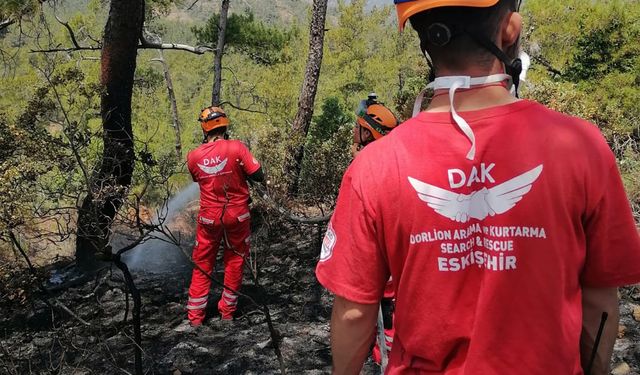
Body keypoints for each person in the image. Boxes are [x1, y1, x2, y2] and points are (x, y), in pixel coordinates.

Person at [315, 1, 640, 374]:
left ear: (426, 39)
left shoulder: (374, 166)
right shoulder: (581, 146)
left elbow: (355, 312)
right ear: (510, 29)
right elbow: (599, 300)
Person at [186, 106, 264, 326]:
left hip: (209, 219)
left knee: (203, 265)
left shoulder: (193, 156)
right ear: (225, 125)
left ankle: (195, 319)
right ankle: (227, 314)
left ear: (204, 128)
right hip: (238, 216)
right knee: (235, 261)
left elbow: (198, 179)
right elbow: (258, 175)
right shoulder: (237, 148)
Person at [352, 94, 400, 365]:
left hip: (380, 263)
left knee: (386, 314)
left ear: (368, 131)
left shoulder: (366, 167)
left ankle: (386, 356)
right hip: (402, 257)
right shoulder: (397, 157)